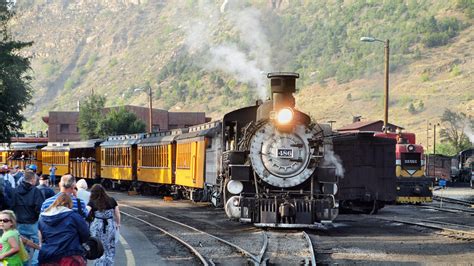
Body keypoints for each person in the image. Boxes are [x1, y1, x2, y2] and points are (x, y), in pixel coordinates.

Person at [38, 193, 89, 265]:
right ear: (68, 205)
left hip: (48, 256)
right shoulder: (73, 216)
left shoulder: (42, 218)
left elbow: (41, 236)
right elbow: (86, 234)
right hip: (70, 255)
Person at [11, 170, 45, 266]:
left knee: (22, 246)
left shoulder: (15, 190)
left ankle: (24, 263)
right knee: (38, 245)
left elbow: (11, 205)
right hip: (32, 223)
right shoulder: (36, 191)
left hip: (19, 223)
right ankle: (34, 263)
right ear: (33, 179)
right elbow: (40, 207)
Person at [87, 184, 121, 266]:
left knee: (98, 246)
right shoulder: (112, 200)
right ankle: (109, 263)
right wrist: (118, 223)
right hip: (110, 225)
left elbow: (86, 211)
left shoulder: (92, 201)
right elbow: (117, 213)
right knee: (110, 245)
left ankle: (99, 263)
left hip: (97, 226)